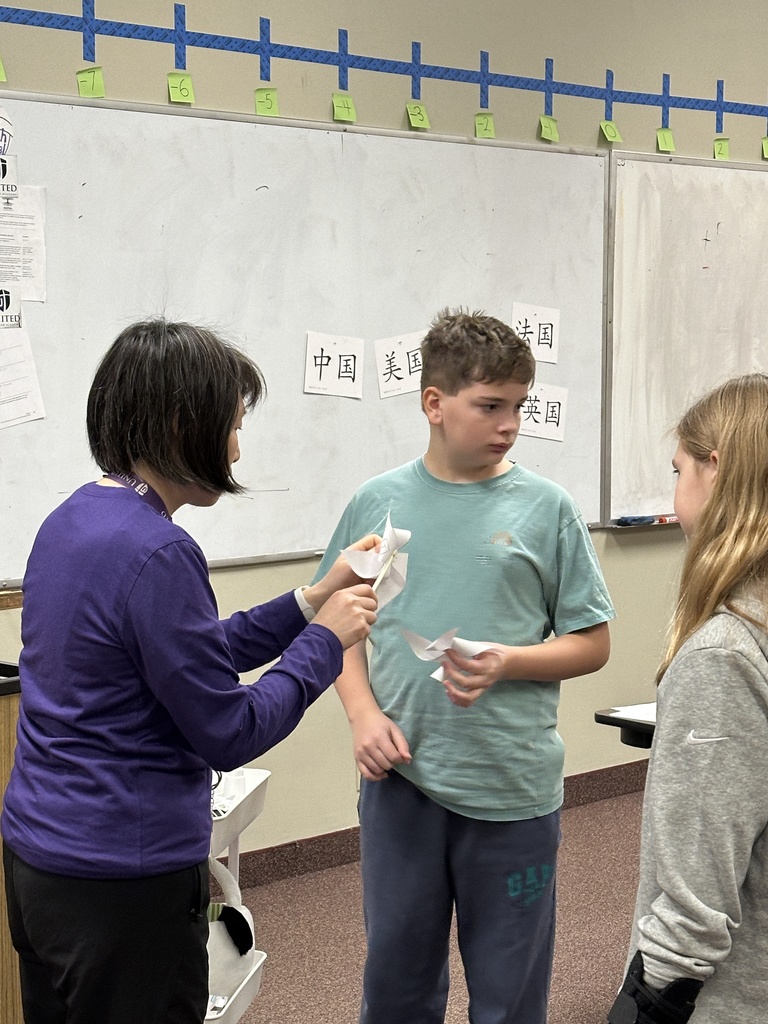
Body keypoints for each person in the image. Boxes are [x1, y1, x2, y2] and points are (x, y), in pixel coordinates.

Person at [1, 319, 379, 1024]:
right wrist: (326, 643)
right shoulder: (159, 551)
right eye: (232, 425)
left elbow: (186, 655)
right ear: (181, 425)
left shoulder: (73, 521)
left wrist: (311, 599)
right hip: (122, 883)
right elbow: (227, 730)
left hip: (41, 865)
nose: (237, 447)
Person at [315, 308, 615, 1024]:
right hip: (402, 782)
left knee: (509, 997)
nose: (509, 423)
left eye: (519, 406)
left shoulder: (548, 511)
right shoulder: (379, 504)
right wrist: (361, 714)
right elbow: (337, 626)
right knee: (396, 987)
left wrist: (509, 661)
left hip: (511, 787)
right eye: (489, 406)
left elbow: (592, 642)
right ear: (434, 404)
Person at [608, 374, 768, 1024]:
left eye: (679, 472)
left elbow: (695, 907)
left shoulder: (726, 656)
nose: (675, 502)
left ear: (717, 468)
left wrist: (640, 1009)